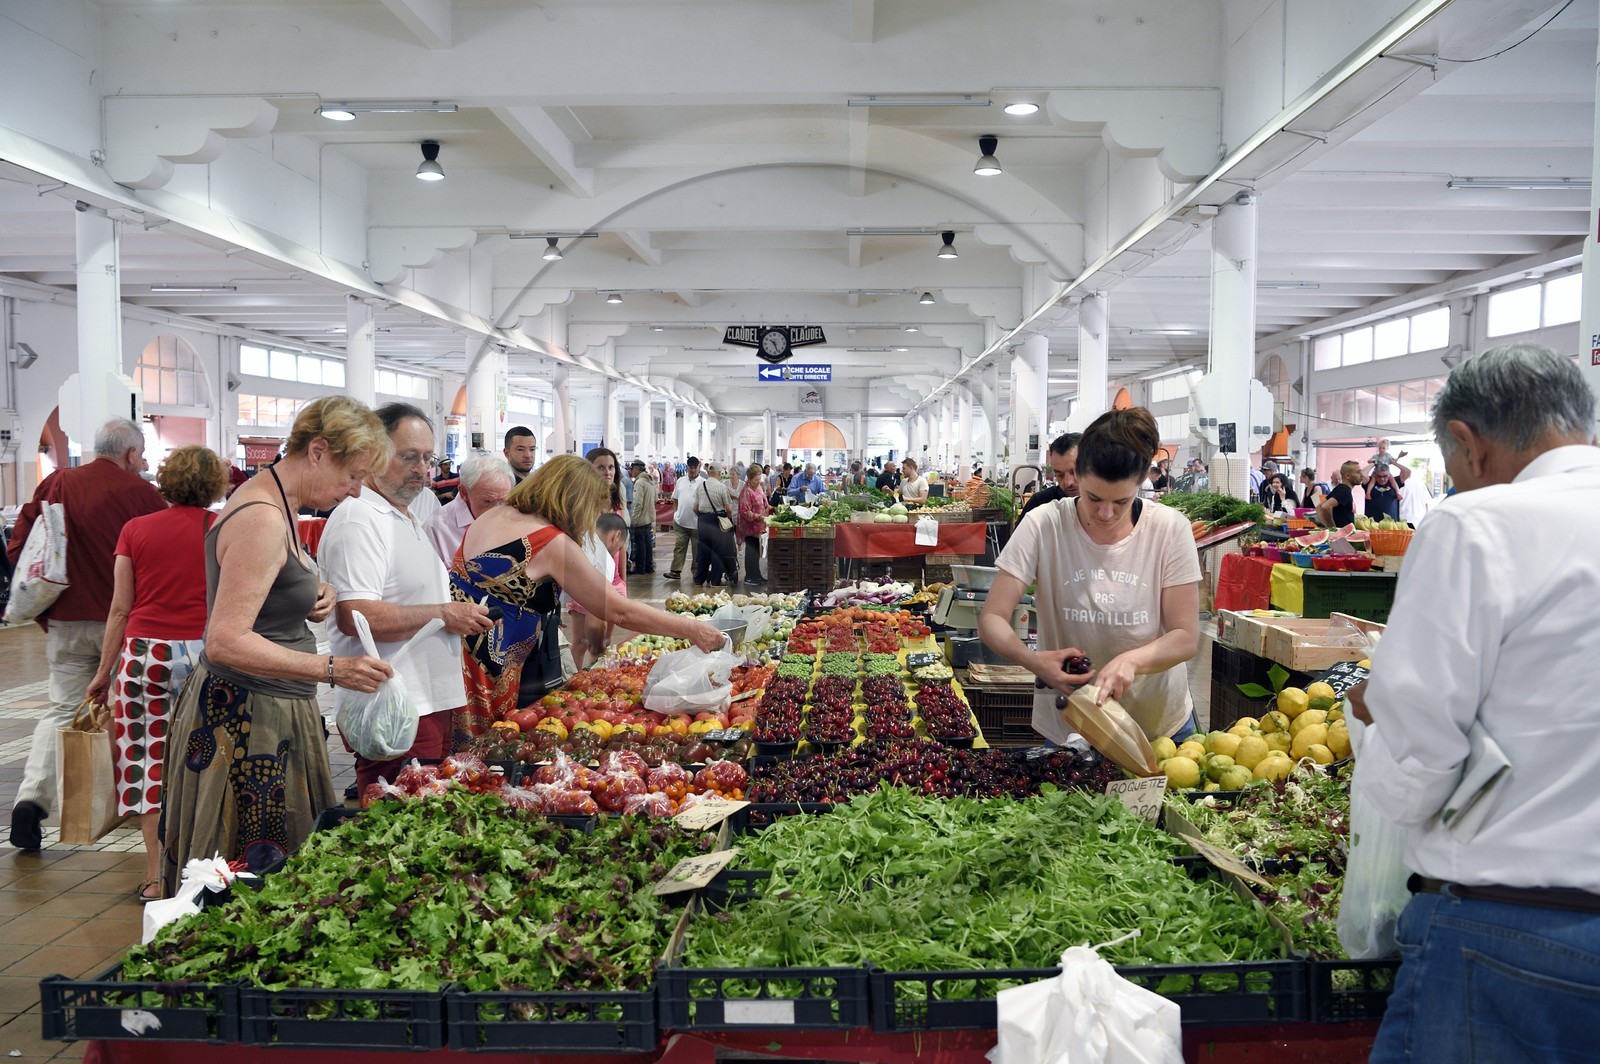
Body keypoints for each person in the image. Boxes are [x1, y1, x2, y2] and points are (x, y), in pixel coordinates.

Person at [1346, 345, 1600, 1064]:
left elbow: (1420, 755)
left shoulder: (1477, 526)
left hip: (1515, 932)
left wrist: (1372, 719)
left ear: (1466, 441)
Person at [161, 397, 394, 891]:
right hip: (248, 722)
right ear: (317, 451)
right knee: (250, 880)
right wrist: (331, 670)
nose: (353, 492)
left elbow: (263, 587)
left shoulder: (277, 503)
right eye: (351, 476)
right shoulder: (263, 518)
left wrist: (313, 587)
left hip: (266, 709)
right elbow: (224, 640)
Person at [451, 455, 725, 742]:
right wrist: (691, 628)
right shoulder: (549, 542)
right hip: (484, 667)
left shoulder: (498, 514)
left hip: (454, 651)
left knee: (456, 751)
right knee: (474, 755)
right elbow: (618, 611)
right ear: (574, 502)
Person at [978, 407, 1202, 743]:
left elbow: (1185, 635)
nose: (1106, 513)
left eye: (1121, 501)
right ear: (1076, 475)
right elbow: (992, 617)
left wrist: (1131, 661)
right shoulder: (1043, 524)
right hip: (1071, 722)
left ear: (1141, 482)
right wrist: (1033, 660)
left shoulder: (1169, 530)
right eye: (1094, 498)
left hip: (1158, 727)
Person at [6, 418, 165, 852]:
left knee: (61, 710)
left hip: (66, 621)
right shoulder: (143, 496)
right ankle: (132, 803)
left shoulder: (57, 483)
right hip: (126, 625)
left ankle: (31, 802)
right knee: (131, 712)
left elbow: (21, 544)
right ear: (132, 454)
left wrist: (47, 606)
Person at [319, 403, 494, 792]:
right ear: (373, 454)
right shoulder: (359, 519)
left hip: (425, 703)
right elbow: (354, 616)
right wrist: (445, 615)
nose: (422, 469)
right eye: (409, 457)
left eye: (428, 458)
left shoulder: (401, 515)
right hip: (395, 704)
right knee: (394, 825)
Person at [84, 446, 229, 898]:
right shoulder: (222, 529)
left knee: (148, 764)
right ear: (214, 486)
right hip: (209, 654)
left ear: (165, 481)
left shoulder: (135, 530)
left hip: (146, 655)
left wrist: (103, 673)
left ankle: (154, 876)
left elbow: (120, 608)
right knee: (209, 760)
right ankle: (205, 869)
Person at [567, 448, 628, 665]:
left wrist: (622, 582)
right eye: (600, 467)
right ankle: (574, 684)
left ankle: (594, 682)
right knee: (581, 643)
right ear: (588, 470)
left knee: (604, 642)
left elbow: (621, 546)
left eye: (611, 467)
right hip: (587, 582)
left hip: (612, 582)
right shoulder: (581, 505)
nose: (607, 472)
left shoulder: (617, 505)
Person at [424, 453, 514, 566]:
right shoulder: (436, 529)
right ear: (464, 493)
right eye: (487, 501)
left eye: (503, 501)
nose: (496, 511)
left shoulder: (514, 516)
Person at [693, 460, 740, 587]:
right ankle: (715, 580)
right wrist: (727, 519)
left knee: (703, 550)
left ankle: (699, 579)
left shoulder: (700, 486)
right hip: (717, 520)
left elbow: (695, 508)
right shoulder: (722, 487)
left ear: (709, 472)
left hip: (702, 521)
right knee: (718, 551)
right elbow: (729, 509)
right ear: (719, 473)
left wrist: (703, 518)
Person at [1021, 433, 1082, 520]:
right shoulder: (1040, 504)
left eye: (1075, 472)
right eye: (1060, 475)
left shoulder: (1105, 504)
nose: (1068, 482)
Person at [664, 456, 702, 580]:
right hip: (681, 522)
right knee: (679, 546)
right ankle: (675, 571)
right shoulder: (680, 481)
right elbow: (675, 498)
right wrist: (675, 514)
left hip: (697, 523)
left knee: (697, 550)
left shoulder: (703, 483)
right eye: (690, 467)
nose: (692, 470)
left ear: (698, 467)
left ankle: (697, 572)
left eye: (694, 467)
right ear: (687, 467)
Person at [738, 462, 771, 585]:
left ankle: (756, 575)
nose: (759, 481)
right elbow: (745, 511)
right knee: (751, 552)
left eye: (759, 479)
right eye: (756, 479)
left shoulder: (759, 488)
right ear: (750, 479)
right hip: (750, 528)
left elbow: (764, 503)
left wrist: (771, 510)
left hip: (760, 527)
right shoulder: (746, 492)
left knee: (757, 551)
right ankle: (750, 577)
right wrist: (759, 517)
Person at [627, 459, 658, 574]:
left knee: (640, 544)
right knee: (647, 543)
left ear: (637, 469)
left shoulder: (640, 482)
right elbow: (655, 499)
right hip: (649, 516)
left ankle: (640, 567)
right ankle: (648, 566)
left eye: (632, 469)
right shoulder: (651, 481)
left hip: (640, 518)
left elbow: (637, 503)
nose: (631, 472)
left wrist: (633, 519)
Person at [1316, 461, 1364, 528]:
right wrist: (1332, 528)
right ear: (1348, 476)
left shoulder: (1340, 488)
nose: (1362, 475)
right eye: (1358, 472)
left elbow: (1319, 506)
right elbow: (1325, 507)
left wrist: (1325, 526)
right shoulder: (1344, 491)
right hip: (1341, 536)